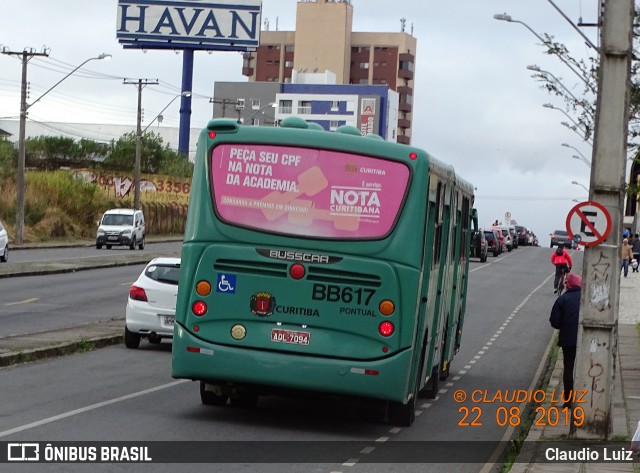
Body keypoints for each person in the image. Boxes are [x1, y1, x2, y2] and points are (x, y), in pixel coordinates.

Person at [549, 272, 582, 408]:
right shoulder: (586, 298)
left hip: (568, 340)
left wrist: (564, 325)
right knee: (583, 368)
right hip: (585, 339)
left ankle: (568, 401)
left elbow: (554, 321)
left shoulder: (562, 300)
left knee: (568, 368)